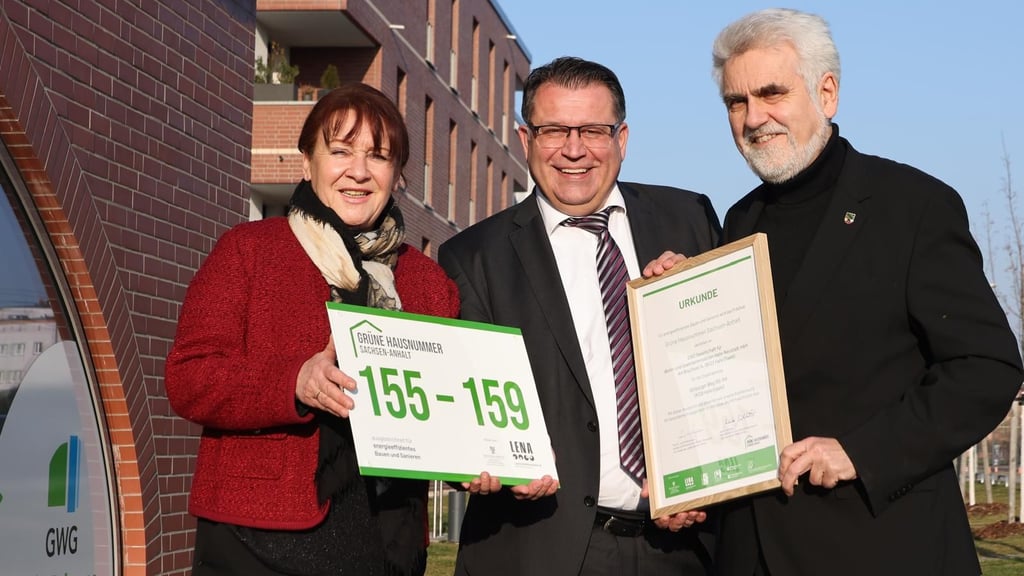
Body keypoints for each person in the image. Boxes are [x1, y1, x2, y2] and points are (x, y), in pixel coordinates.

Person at [700, 8, 1023, 575]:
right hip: (750, 551)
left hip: (882, 545)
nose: (754, 118)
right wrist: (680, 293)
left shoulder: (912, 206)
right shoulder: (738, 223)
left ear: (827, 93)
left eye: (772, 93)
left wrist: (860, 453)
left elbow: (987, 365)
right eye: (736, 101)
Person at [438, 56, 721, 576]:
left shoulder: (689, 221)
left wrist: (698, 295)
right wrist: (474, 462)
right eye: (553, 131)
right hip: (538, 549)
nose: (573, 149)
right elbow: (461, 406)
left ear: (622, 138)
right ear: (526, 140)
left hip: (681, 550)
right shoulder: (472, 257)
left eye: (592, 130)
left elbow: (728, 369)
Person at [165, 83, 460, 576]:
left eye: (379, 157)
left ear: (397, 175)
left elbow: (453, 403)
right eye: (340, 151)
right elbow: (189, 378)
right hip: (257, 538)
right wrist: (293, 383)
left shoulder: (428, 283)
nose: (359, 171)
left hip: (388, 535)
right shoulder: (248, 251)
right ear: (307, 162)